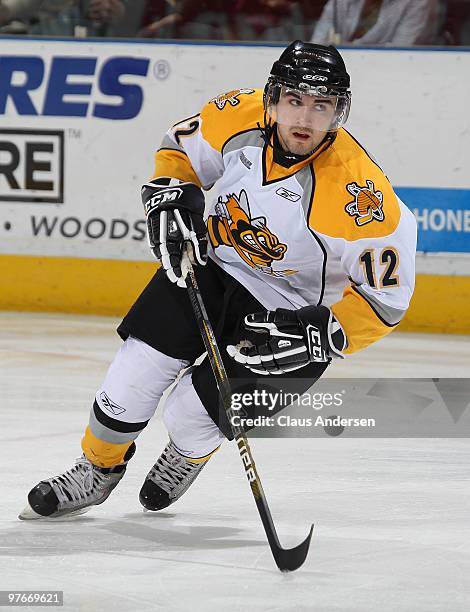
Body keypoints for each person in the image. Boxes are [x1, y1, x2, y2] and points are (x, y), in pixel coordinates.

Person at [19, 41, 417, 520]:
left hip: (288, 314)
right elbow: (178, 149)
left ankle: (189, 452)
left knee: (190, 414)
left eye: (321, 105)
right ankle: (97, 469)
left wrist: (323, 333)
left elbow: (386, 300)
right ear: (272, 99)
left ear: (339, 112)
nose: (304, 119)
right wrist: (171, 193)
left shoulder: (363, 197)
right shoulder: (235, 115)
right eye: (294, 100)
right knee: (133, 374)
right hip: (213, 264)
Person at [311, 0, 441, 46]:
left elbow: (400, 51)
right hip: (336, 68)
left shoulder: (417, 3)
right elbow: (318, 41)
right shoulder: (339, 2)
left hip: (388, 73)